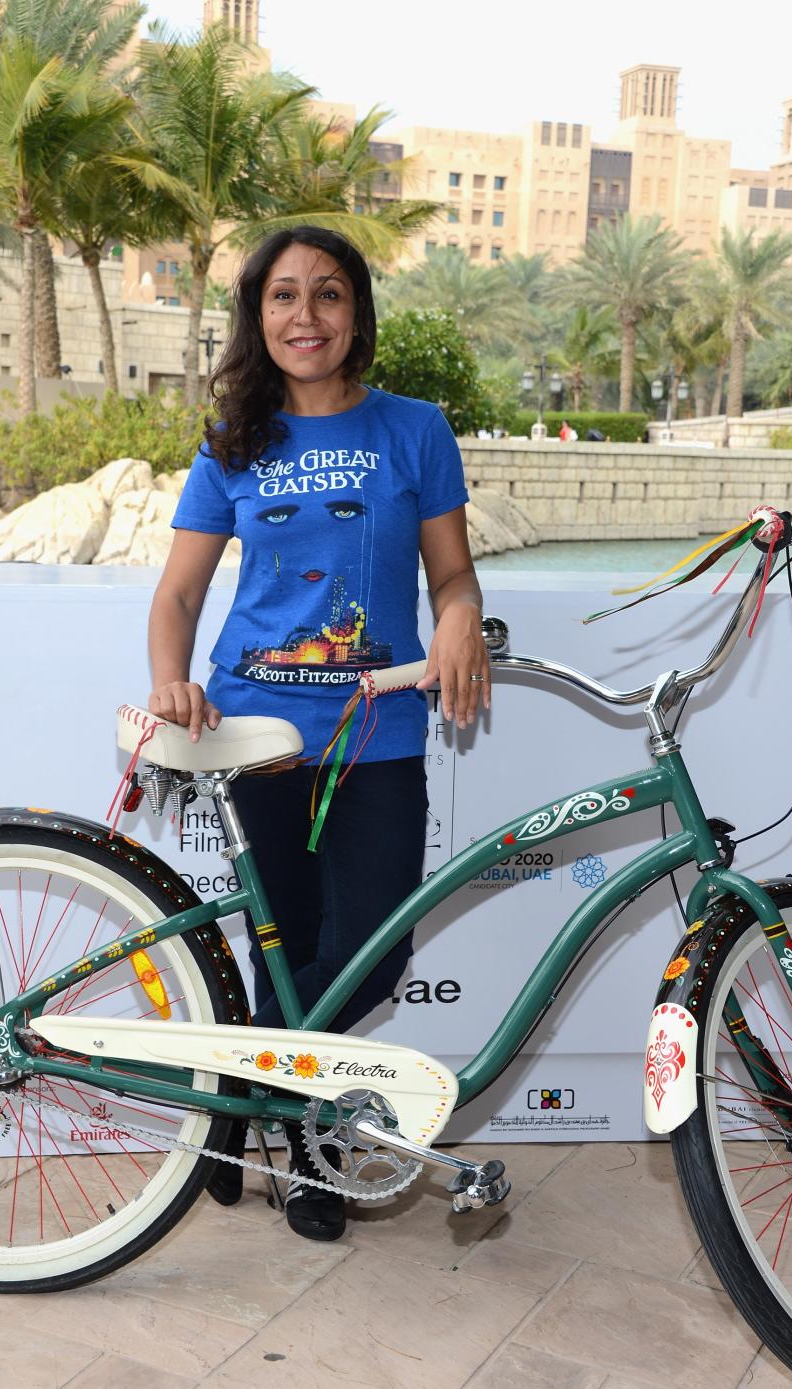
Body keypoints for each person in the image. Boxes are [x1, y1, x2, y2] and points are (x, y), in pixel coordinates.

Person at [147, 225, 489, 1242]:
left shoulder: (414, 429)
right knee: (287, 948)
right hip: (254, 728)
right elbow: (177, 594)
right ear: (258, 316)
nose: (307, 316)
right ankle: (303, 1147)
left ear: (357, 312)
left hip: (378, 727)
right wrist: (172, 684)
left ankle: (235, 1087)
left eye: (328, 294)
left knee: (373, 956)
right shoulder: (233, 440)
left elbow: (452, 575)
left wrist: (462, 618)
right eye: (285, 296)